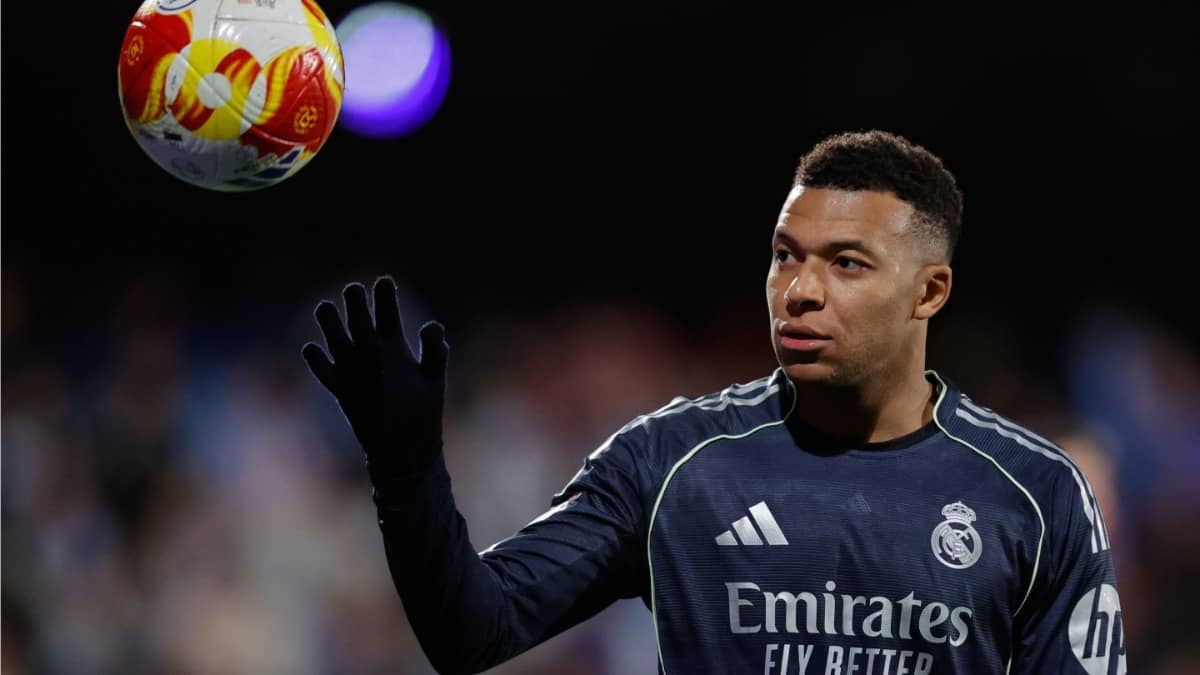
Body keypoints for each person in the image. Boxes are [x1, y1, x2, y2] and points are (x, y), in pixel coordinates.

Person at [302, 130, 1126, 674]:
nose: (799, 291)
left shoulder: (1036, 494)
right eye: (785, 255)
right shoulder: (669, 462)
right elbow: (470, 632)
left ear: (929, 291)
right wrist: (405, 470)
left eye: (846, 263)